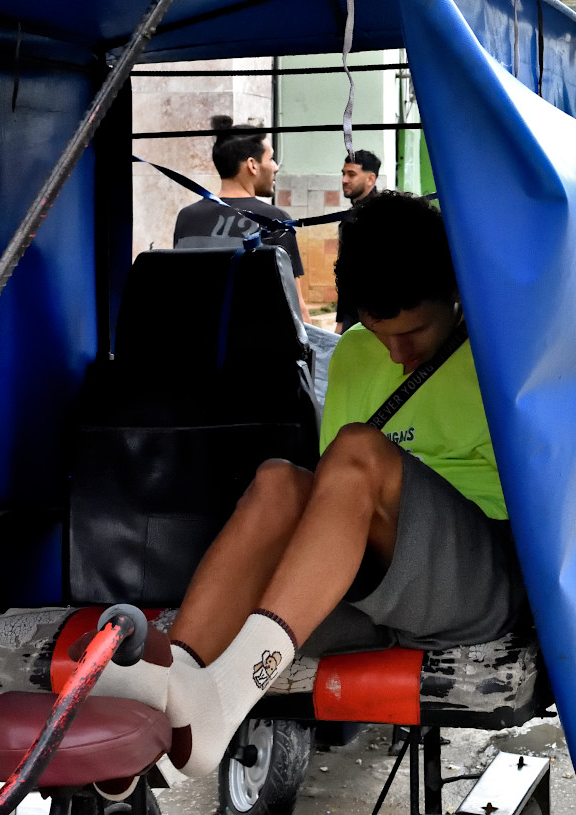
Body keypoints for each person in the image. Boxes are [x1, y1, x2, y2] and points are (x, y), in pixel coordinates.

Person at [93, 191, 527, 777]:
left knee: (356, 451)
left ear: (455, 292)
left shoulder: (504, 348)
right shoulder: (352, 353)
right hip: (376, 593)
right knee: (278, 481)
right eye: (380, 333)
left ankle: (229, 689)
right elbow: (331, 497)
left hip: (472, 583)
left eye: (415, 333)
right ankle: (172, 685)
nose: (397, 355)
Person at [174, 115, 311, 323]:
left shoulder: (186, 218)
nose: (275, 167)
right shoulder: (275, 220)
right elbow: (296, 308)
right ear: (252, 165)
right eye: (271, 158)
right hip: (254, 348)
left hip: (196, 345)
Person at [335, 149, 383, 333]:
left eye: (351, 174)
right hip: (355, 313)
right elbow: (345, 272)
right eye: (343, 173)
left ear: (370, 179)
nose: (344, 180)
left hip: (377, 313)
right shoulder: (350, 218)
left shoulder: (380, 215)